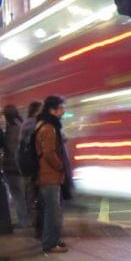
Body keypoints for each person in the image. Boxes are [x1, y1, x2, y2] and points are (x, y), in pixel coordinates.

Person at [36, 96, 71, 253]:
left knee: (52, 211)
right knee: (52, 213)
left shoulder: (46, 125)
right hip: (49, 176)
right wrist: (61, 166)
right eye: (61, 108)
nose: (63, 111)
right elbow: (49, 153)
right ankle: (50, 244)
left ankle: (53, 240)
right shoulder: (48, 128)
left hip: (48, 176)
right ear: (52, 109)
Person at [2, 105, 30, 228]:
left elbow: (11, 149)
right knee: (22, 195)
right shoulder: (21, 127)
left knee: (18, 195)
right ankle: (26, 220)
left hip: (12, 167)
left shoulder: (11, 130)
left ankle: (23, 221)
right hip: (20, 167)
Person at [20, 101, 43, 238]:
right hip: (35, 166)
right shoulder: (33, 124)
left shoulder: (26, 124)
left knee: (32, 196)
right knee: (36, 197)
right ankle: (38, 228)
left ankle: (37, 227)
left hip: (28, 166)